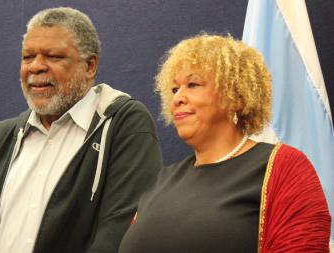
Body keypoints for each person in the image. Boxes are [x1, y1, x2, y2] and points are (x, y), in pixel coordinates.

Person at [0, 7, 162, 253]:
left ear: (90, 66)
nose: (36, 67)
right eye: (27, 57)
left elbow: (120, 235)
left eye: (53, 56)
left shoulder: (124, 126)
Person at [118, 34, 331, 253]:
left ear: (236, 95)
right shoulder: (163, 179)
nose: (177, 98)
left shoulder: (281, 166)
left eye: (193, 84)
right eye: (174, 89)